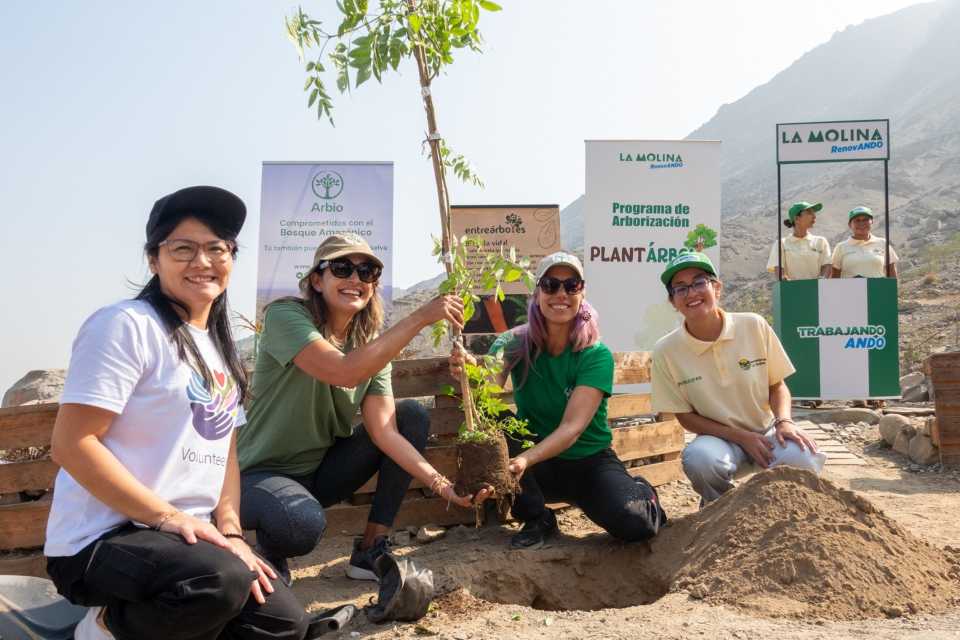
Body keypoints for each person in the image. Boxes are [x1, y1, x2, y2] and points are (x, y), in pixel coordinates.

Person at [44, 186, 309, 639]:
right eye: (182, 248)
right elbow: (72, 444)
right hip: (101, 540)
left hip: (186, 538)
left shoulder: (221, 349)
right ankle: (106, 627)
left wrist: (232, 533)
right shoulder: (126, 325)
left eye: (216, 248)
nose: (202, 261)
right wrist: (169, 517)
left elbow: (225, 452)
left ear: (232, 258)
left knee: (283, 623)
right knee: (214, 583)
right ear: (153, 259)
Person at [238, 233, 488, 585]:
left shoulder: (369, 346)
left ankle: (371, 548)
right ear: (316, 279)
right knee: (300, 525)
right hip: (256, 476)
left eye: (367, 271)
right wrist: (419, 318)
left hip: (317, 475)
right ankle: (269, 550)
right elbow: (343, 370)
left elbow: (384, 432)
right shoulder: (285, 317)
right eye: (342, 268)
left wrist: (444, 487)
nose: (355, 279)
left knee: (411, 416)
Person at [449, 252, 667, 550]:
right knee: (499, 423)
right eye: (551, 285)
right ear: (538, 292)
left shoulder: (594, 354)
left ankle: (642, 492)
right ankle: (538, 518)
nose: (561, 294)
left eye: (571, 285)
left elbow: (572, 428)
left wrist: (525, 459)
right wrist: (469, 370)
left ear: (582, 292)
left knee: (635, 525)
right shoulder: (513, 343)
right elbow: (488, 392)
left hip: (588, 463)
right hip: (539, 470)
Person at [651, 252, 827, 505]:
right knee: (700, 460)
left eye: (699, 282)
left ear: (717, 287)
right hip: (719, 441)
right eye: (680, 288)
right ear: (672, 301)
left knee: (803, 457)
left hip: (767, 433)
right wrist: (741, 437)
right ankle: (720, 512)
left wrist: (785, 422)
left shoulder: (753, 325)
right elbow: (685, 416)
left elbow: (777, 385)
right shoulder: (666, 350)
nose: (691, 293)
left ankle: (786, 513)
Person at [766, 201, 831, 280]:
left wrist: (822, 279)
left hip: (816, 290)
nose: (814, 216)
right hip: (792, 290)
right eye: (809, 213)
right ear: (797, 219)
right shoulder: (781, 244)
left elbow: (827, 265)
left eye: (814, 213)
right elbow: (779, 269)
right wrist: (784, 279)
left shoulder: (821, 241)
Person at [831, 206, 899, 279]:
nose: (862, 223)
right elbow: (835, 276)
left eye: (865, 220)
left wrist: (894, 289)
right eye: (857, 220)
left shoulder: (882, 243)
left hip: (877, 289)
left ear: (872, 222)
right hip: (849, 290)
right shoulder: (841, 247)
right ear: (850, 225)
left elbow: (891, 271)